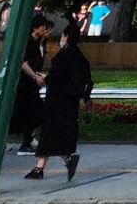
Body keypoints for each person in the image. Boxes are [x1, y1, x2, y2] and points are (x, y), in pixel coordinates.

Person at [24, 20, 93, 184]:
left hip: (57, 101)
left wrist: (44, 78)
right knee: (54, 132)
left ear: (66, 37)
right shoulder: (80, 57)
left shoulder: (63, 56)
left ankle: (48, 165)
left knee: (50, 131)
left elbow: (57, 78)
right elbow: (87, 79)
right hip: (71, 102)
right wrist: (86, 96)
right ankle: (42, 167)